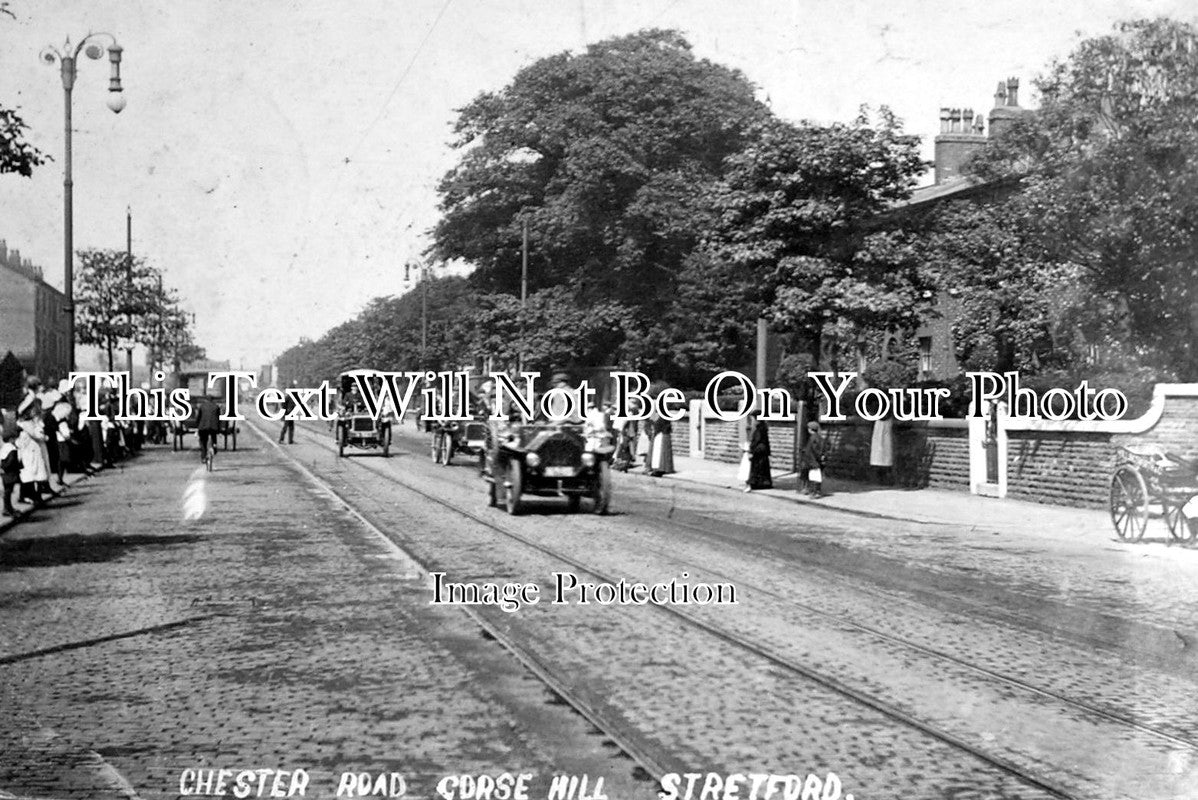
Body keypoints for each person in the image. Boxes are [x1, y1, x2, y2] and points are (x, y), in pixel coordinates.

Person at [16, 395, 49, 505]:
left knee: (37, 472)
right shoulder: (25, 424)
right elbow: (36, 434)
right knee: (30, 473)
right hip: (29, 450)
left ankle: (37, 495)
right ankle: (33, 495)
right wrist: (43, 436)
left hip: (34, 449)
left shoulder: (31, 422)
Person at [800, 420, 827, 498]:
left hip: (813, 461)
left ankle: (816, 492)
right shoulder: (817, 437)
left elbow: (815, 450)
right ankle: (813, 491)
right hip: (812, 460)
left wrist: (817, 457)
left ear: (810, 429)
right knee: (813, 476)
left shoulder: (813, 438)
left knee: (815, 477)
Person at [746, 415, 773, 491]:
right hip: (763, 450)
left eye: (754, 419)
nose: (753, 421)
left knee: (757, 467)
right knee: (763, 467)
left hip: (758, 450)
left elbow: (757, 440)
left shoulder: (759, 429)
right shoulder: (764, 428)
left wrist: (751, 450)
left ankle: (757, 483)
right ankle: (765, 482)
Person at [194, 394, 221, 462]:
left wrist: (197, 425)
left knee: (203, 441)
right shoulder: (216, 406)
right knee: (214, 437)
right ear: (213, 400)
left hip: (203, 427)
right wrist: (218, 427)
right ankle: (214, 446)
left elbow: (198, 417)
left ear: (205, 400)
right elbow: (218, 418)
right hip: (213, 427)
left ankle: (203, 457)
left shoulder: (202, 406)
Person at [648, 409, 674, 477]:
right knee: (662, 453)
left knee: (659, 453)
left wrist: (654, 431)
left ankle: (659, 469)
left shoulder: (661, 417)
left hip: (660, 435)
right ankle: (662, 468)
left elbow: (657, 426)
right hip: (663, 435)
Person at [870, 414, 895, 485]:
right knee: (879, 451)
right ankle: (879, 476)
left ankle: (886, 476)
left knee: (886, 450)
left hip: (886, 425)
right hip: (880, 424)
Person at [1, 427, 20, 517]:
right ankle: (7, 509)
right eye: (14, 438)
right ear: (11, 439)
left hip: (4, 472)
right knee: (9, 491)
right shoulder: (12, 448)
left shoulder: (4, 447)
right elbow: (12, 461)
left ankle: (8, 507)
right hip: (10, 472)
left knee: (7, 490)